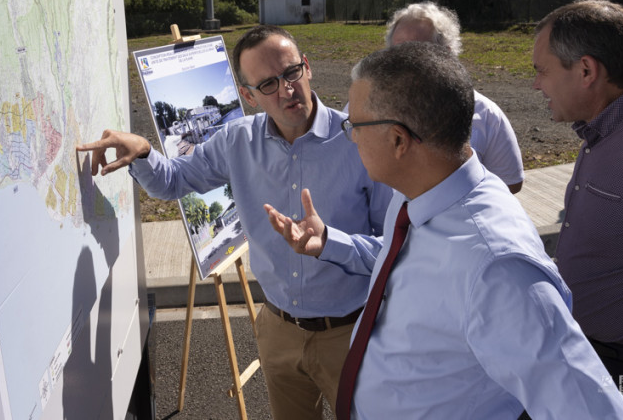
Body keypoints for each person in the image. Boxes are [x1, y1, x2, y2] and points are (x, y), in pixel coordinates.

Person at [265, 41, 623, 419]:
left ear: (398, 140)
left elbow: (594, 409)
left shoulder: (497, 268)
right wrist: (329, 242)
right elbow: (403, 262)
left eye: (355, 125)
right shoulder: (421, 191)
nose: (352, 137)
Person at [77, 25, 391, 419]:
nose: (286, 91)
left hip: (350, 334)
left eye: (292, 73)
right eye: (268, 84)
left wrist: (331, 242)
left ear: (307, 68)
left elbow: (393, 249)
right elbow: (173, 181)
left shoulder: (357, 142)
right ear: (248, 96)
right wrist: (142, 154)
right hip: (278, 329)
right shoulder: (236, 141)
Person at [532, 0, 623, 418]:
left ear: (587, 71)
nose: (537, 86)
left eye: (542, 71)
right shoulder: (606, 126)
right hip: (594, 360)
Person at [384, 1, 524, 193]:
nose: (407, 60)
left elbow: (511, 183)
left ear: (447, 54)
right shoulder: (364, 109)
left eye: (419, 50)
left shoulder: (484, 113)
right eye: (398, 51)